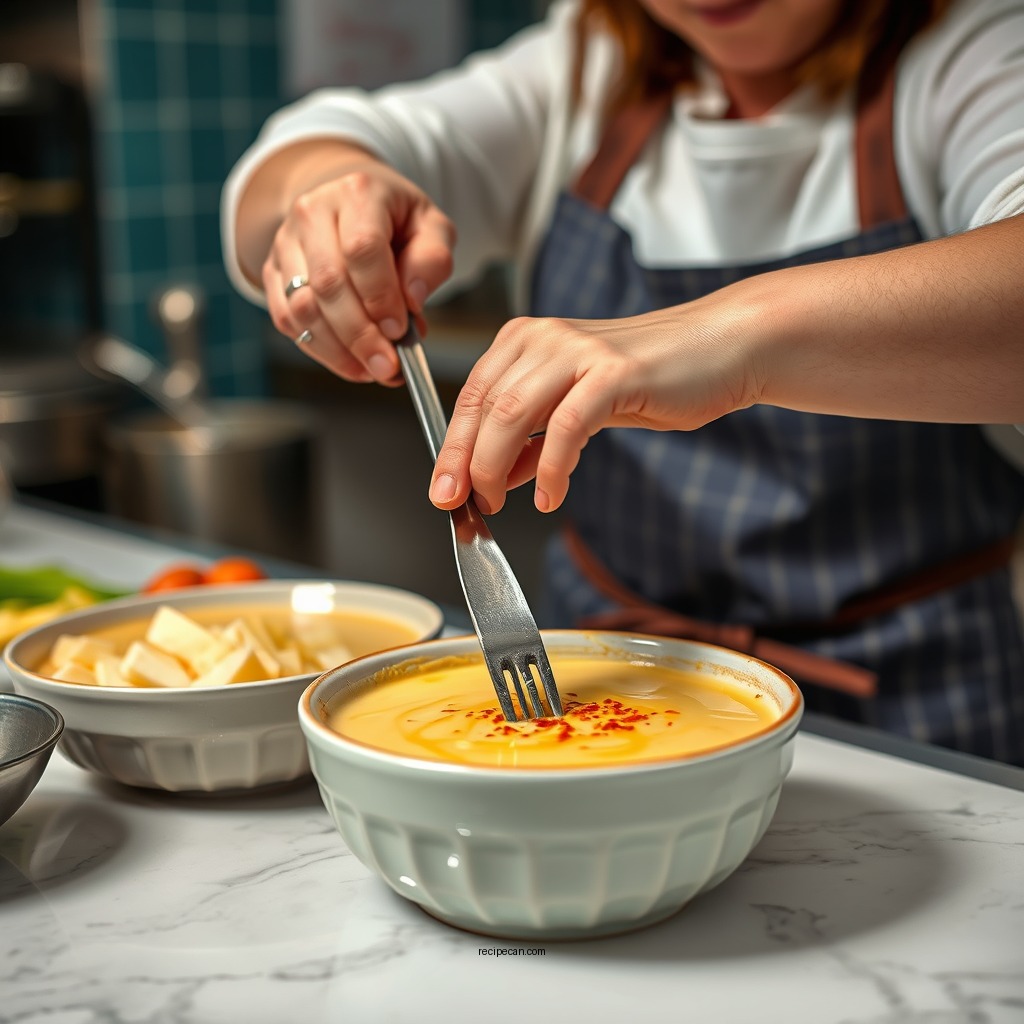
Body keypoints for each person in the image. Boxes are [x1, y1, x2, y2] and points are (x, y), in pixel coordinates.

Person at [222, 0, 1024, 764]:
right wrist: (329, 200)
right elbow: (312, 151)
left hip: (916, 711)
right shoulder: (585, 69)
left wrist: (732, 336)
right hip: (595, 688)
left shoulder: (971, 55)